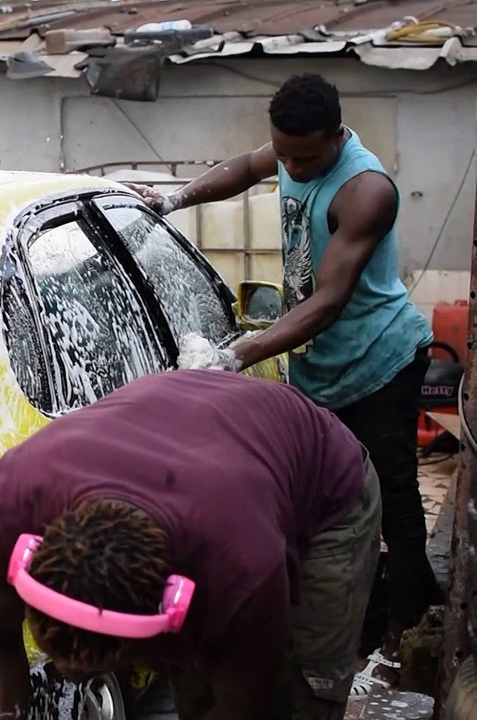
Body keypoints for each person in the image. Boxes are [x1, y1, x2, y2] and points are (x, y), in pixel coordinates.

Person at [123, 72, 436, 693]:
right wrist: (174, 201)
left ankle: (403, 631)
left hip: (381, 361)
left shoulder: (366, 189)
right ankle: (330, 614)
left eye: (305, 158)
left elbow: (327, 302)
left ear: (337, 135)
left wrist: (238, 355)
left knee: (393, 497)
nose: (291, 166)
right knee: (322, 497)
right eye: (284, 153)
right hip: (320, 366)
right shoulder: (293, 149)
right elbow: (245, 167)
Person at [0, 369, 381, 720]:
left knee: (301, 699)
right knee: (195, 692)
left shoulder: (238, 568)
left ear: (171, 603)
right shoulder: (10, 502)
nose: (68, 673)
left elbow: (248, 708)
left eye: (99, 665)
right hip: (205, 447)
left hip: (327, 490)